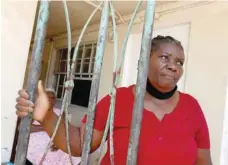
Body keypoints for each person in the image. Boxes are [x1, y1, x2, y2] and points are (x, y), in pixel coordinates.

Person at [15, 35, 212, 165]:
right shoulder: (118, 100)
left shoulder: (191, 106)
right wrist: (47, 116)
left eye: (179, 62)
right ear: (144, 60)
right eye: (165, 57)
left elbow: (204, 161)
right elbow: (81, 144)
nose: (173, 66)